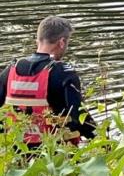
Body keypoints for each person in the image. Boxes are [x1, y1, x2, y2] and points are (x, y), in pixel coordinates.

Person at [0, 16, 96, 145]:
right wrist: (103, 141)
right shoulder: (63, 73)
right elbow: (80, 118)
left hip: (17, 149)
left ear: (37, 40)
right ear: (62, 42)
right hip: (55, 154)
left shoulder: (11, 69)